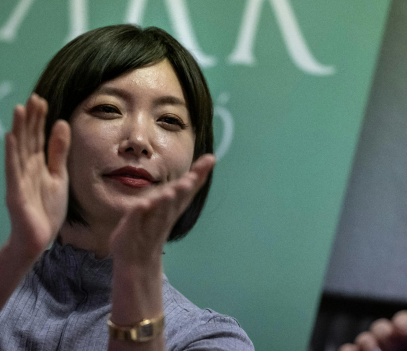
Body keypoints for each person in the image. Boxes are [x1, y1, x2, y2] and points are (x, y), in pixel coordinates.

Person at [0, 24, 254, 351]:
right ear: (52, 133)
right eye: (108, 109)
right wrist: (20, 251)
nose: (138, 140)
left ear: (196, 156)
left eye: (169, 120)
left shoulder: (209, 339)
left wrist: (135, 272)